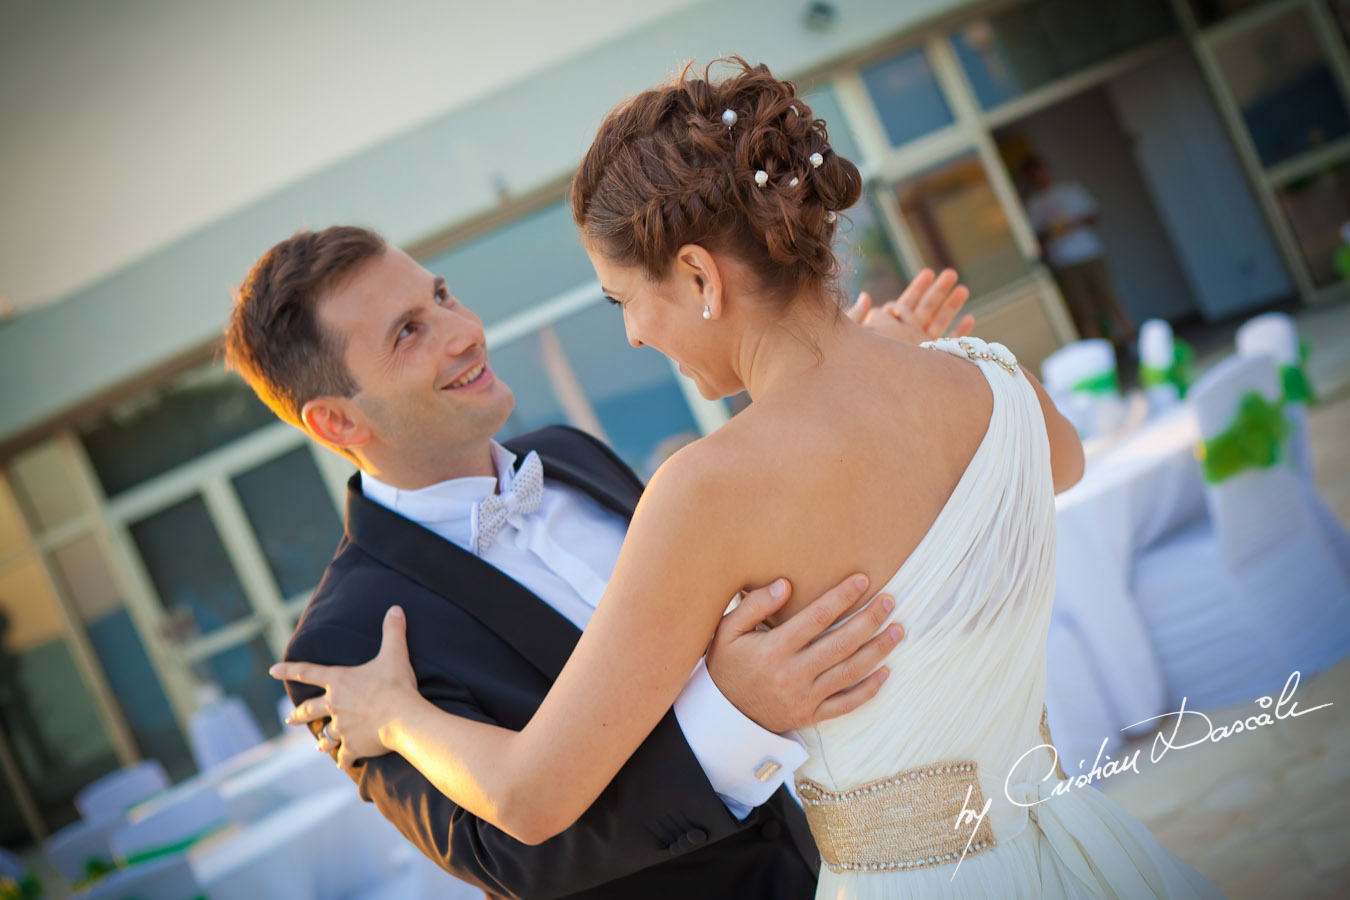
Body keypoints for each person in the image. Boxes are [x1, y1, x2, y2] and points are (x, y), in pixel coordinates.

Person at [277, 60, 1225, 899]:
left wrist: (396, 715)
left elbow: (526, 796)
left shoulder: (706, 488)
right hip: (1076, 851)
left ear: (697, 276)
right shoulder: (992, 380)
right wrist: (882, 361)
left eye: (625, 301)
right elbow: (1060, 464)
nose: (636, 335)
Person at [225, 218, 973, 894]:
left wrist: (843, 392)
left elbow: (744, 583)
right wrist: (732, 720)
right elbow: (507, 857)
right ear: (335, 419)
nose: (464, 332)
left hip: (842, 865)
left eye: (444, 296)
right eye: (408, 333)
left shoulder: (568, 453)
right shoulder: (344, 647)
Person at [1022, 156, 1136, 351]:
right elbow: (1034, 237)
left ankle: (1133, 343)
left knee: (1110, 301)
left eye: (1041, 172)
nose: (1039, 178)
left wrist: (1071, 223)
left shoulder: (1070, 190)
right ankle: (1098, 357)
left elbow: (1094, 215)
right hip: (1064, 261)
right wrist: (1051, 232)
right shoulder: (1033, 205)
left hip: (1089, 253)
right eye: (1034, 176)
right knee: (1084, 312)